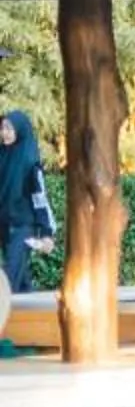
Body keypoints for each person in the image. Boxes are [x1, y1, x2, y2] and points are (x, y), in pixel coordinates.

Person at [0, 110, 55, 292]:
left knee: (9, 276)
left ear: (20, 130)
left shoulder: (30, 162)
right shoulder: (2, 156)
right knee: (21, 281)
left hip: (24, 228)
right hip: (5, 227)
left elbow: (40, 199)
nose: (4, 133)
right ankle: (31, 319)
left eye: (9, 128)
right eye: (2, 128)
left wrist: (46, 232)